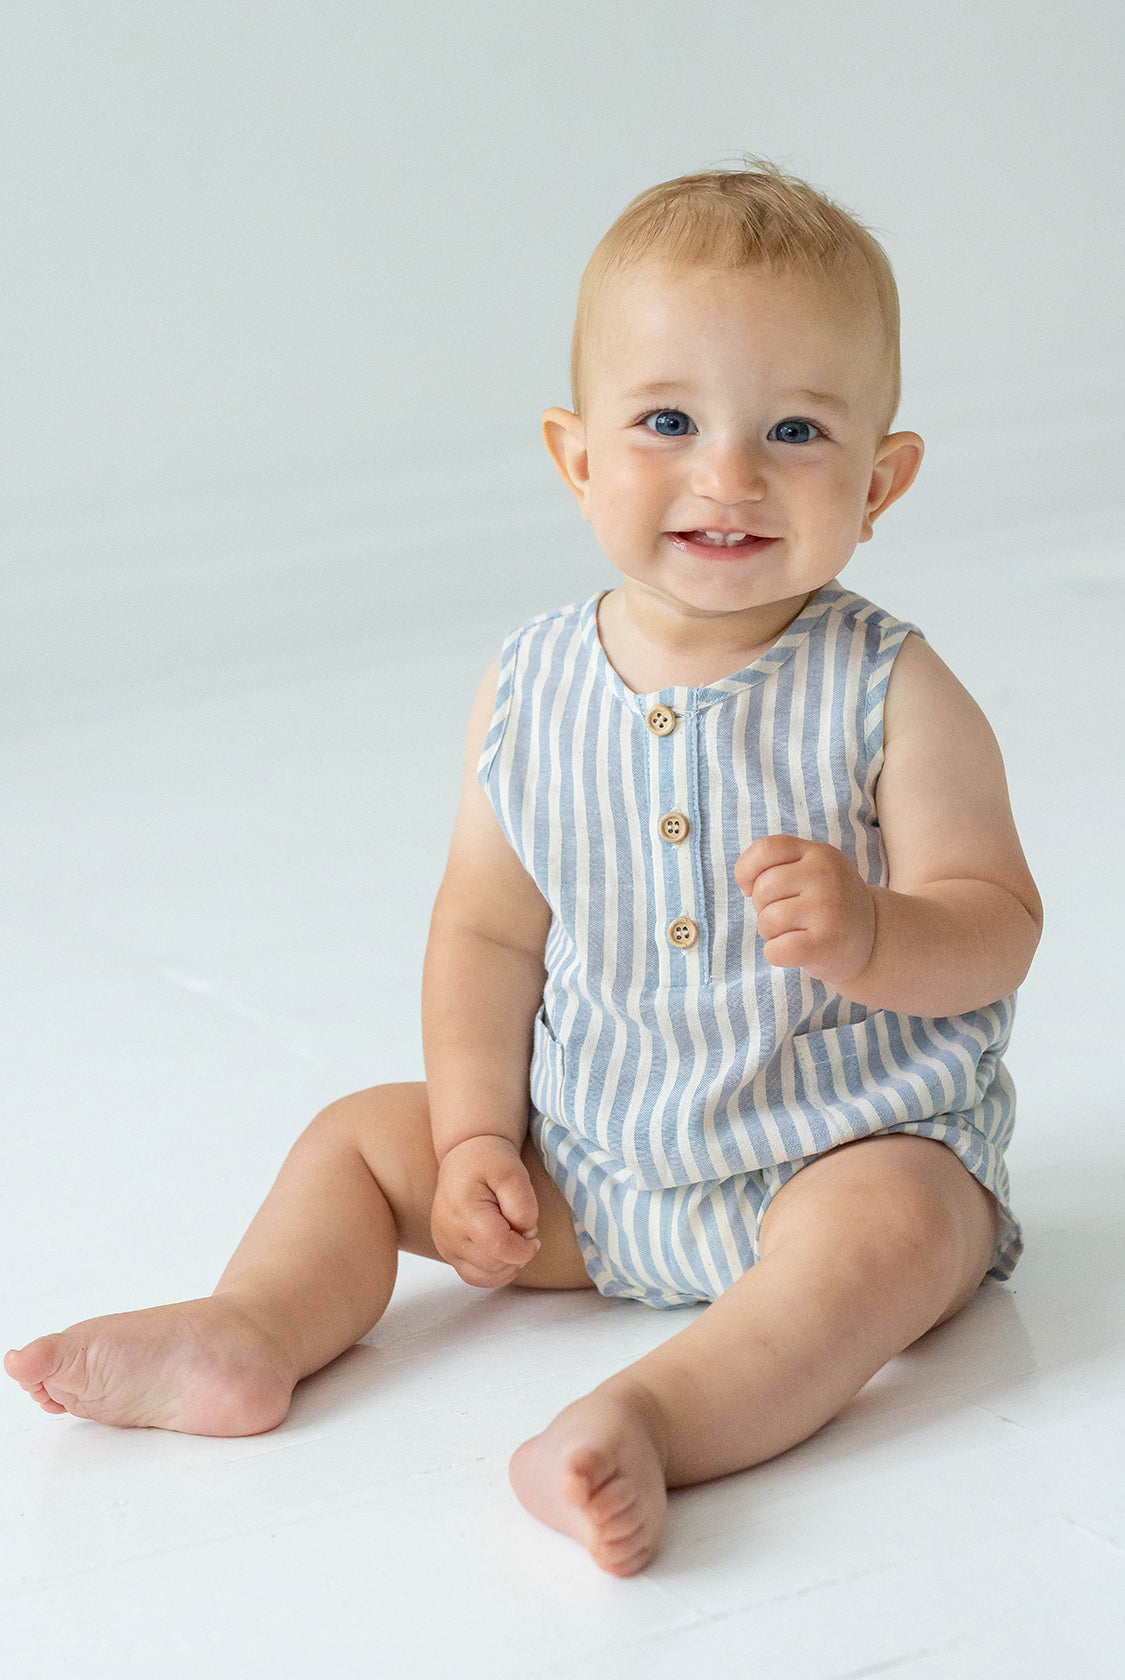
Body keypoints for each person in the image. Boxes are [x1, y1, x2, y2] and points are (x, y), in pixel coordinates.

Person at [4, 158, 1042, 1578]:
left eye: (793, 430)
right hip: (598, 1163)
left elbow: (995, 924)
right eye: (666, 420)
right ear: (576, 457)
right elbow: (486, 931)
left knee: (907, 1228)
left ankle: (646, 1420)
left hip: (832, 1152)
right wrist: (483, 1138)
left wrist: (874, 932)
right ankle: (249, 1329)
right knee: (363, 1139)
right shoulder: (531, 685)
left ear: (882, 478)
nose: (725, 474)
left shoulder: (891, 690)